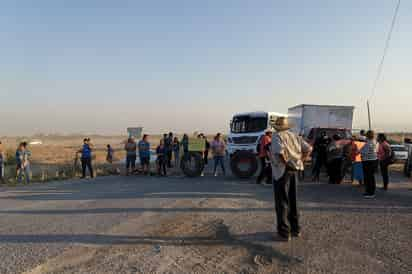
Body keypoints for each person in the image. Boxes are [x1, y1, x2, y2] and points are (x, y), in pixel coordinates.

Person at [269, 117, 311, 241]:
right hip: (294, 170)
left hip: (282, 171)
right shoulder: (294, 135)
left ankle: (284, 233)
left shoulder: (277, 136)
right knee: (293, 200)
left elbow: (280, 153)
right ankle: (295, 229)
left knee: (282, 202)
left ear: (277, 127)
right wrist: (300, 161)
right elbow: (309, 148)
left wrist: (288, 164)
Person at [361, 130, 378, 198]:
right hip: (373, 161)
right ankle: (368, 191)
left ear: (367, 135)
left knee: (369, 177)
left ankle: (370, 193)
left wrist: (360, 151)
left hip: (368, 161)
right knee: (370, 177)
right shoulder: (375, 141)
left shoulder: (369, 143)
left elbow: (364, 152)